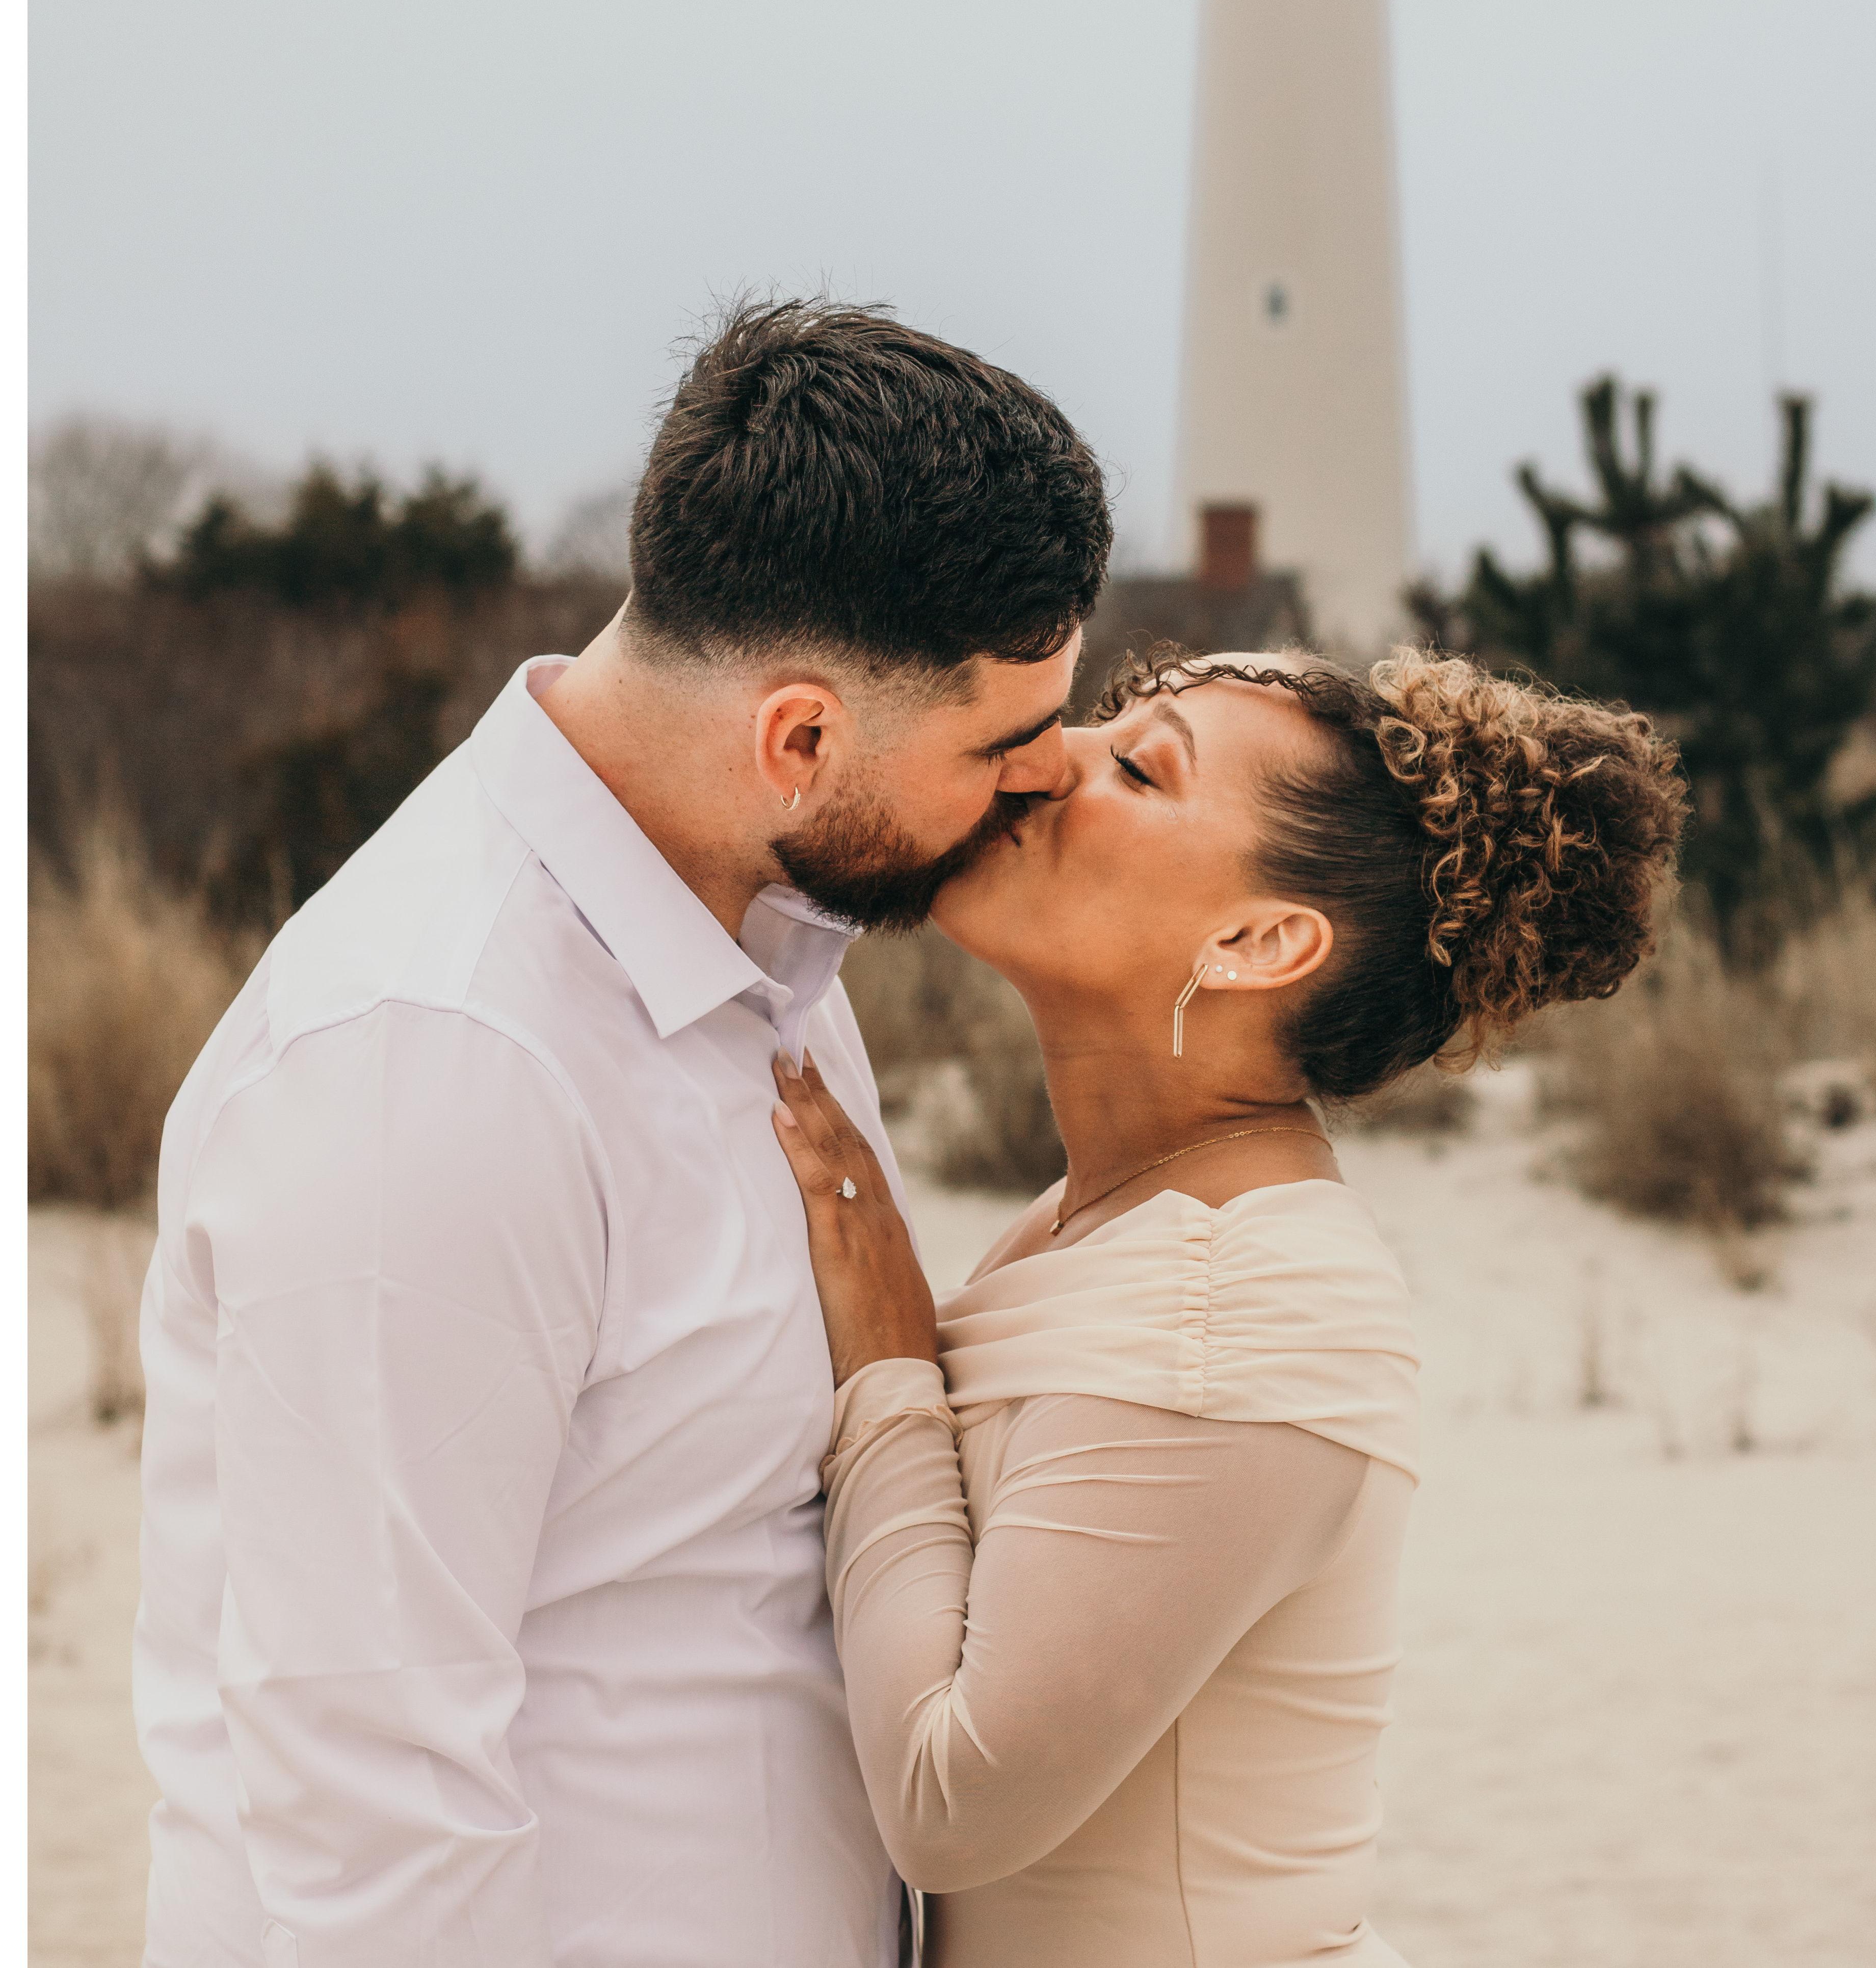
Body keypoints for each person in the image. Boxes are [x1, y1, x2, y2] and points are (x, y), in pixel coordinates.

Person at [132, 299, 1113, 1968]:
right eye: (1002, 744)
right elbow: (371, 1802)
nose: (1046, 780)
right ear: (800, 739)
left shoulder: (771, 947)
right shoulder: (435, 1060)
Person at [767, 644, 1687, 1967]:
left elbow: (951, 1804)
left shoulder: (1241, 1302)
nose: (1048, 758)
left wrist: (887, 1366)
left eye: (1140, 770)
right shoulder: (1105, 1219)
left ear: (1258, 943)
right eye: (1107, 725)